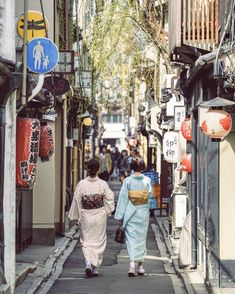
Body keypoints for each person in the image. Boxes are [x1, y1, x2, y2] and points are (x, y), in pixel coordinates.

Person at [68, 159, 115, 278]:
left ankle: (88, 263)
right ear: (98, 169)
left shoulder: (81, 184)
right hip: (99, 215)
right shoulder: (103, 184)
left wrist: (77, 216)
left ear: (87, 169)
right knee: (99, 241)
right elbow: (109, 199)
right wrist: (106, 211)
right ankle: (95, 267)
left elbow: (77, 200)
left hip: (86, 216)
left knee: (86, 242)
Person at [114, 156, 151, 277]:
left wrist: (120, 215)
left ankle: (131, 265)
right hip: (143, 213)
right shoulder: (147, 180)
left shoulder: (128, 181)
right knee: (141, 240)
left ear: (132, 167)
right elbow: (149, 198)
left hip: (131, 213)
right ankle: (140, 266)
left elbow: (123, 199)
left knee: (131, 240)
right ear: (142, 166)